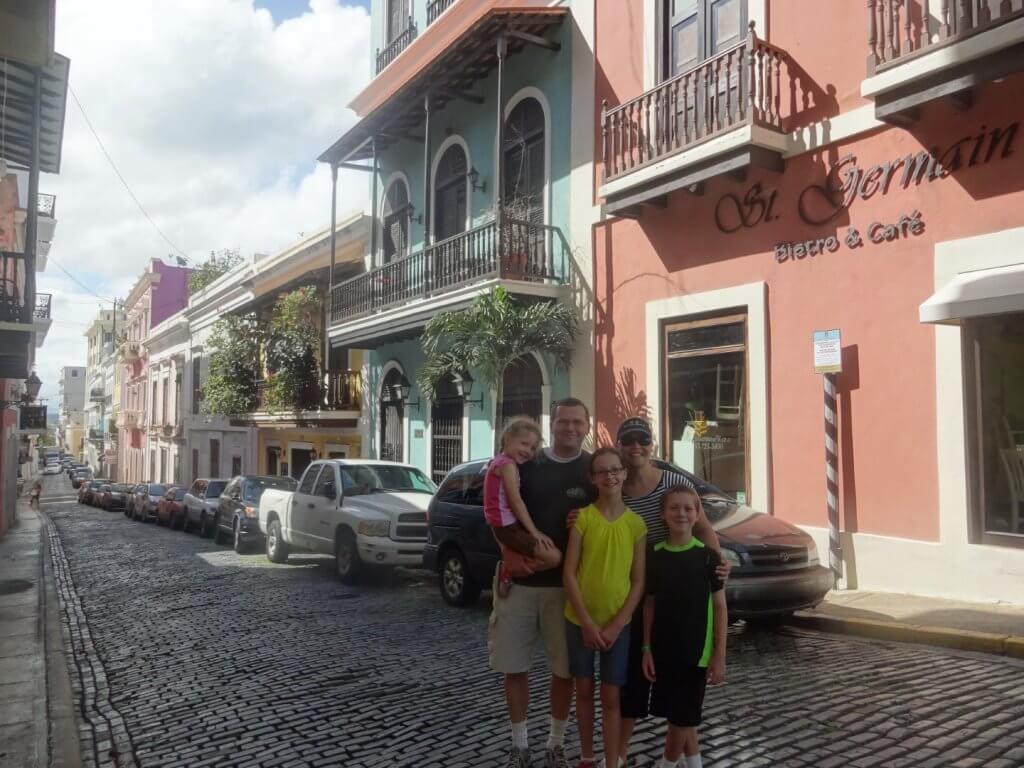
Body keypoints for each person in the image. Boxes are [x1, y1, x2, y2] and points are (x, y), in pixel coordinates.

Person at [615, 417, 729, 767]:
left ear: (652, 444)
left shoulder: (676, 483)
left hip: (679, 590)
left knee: (682, 697)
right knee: (633, 687)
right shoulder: (614, 485)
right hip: (637, 593)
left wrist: (718, 565)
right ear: (620, 445)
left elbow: (706, 529)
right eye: (629, 440)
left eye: (643, 439)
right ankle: (617, 758)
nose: (636, 446)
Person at [489, 398, 594, 768]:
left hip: (565, 589)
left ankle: (555, 743)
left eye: (577, 422)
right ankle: (519, 746)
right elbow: (496, 511)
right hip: (518, 585)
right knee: (514, 666)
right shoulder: (528, 461)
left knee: (563, 671)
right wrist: (506, 558)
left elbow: (609, 516)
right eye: (564, 421)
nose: (570, 428)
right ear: (553, 425)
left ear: (587, 425)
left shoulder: (591, 469)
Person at [564, 447, 647, 768]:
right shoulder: (583, 518)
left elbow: (638, 581)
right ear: (592, 478)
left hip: (618, 626)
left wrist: (617, 623)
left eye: (615, 469)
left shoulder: (636, 525)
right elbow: (569, 572)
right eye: (602, 471)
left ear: (624, 473)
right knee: (583, 690)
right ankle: (587, 756)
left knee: (611, 697)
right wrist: (585, 621)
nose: (609, 476)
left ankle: (612, 760)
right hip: (578, 621)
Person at [642, 485, 727, 768]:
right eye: (674, 508)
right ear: (662, 514)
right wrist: (646, 648)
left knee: (682, 717)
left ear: (697, 514)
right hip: (664, 650)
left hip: (696, 652)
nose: (682, 513)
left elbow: (720, 607)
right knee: (680, 714)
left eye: (688, 508)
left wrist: (719, 654)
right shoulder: (654, 555)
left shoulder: (708, 557)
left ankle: (666, 764)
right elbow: (650, 605)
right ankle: (694, 763)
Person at [485, 417, 562, 598]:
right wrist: (534, 532)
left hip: (505, 525)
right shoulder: (507, 466)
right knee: (554, 557)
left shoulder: (497, 462)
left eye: (532, 447)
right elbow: (515, 501)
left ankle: (511, 567)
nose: (528, 451)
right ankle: (509, 571)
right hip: (507, 527)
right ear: (507, 439)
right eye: (524, 443)